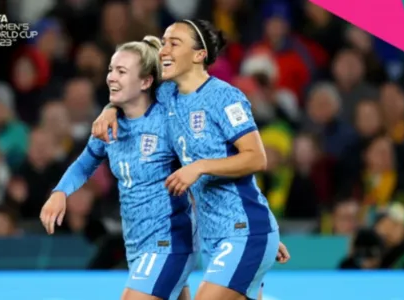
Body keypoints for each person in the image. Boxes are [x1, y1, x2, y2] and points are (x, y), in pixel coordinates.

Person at [92, 20, 289, 300]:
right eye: (164, 42)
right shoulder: (168, 95)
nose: (164, 50)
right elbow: (131, 92)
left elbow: (256, 158)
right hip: (216, 236)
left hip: (244, 230)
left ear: (199, 55)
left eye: (175, 43)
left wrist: (199, 167)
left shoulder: (224, 97)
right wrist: (111, 108)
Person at [39, 36, 195, 300]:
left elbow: (209, 174)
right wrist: (60, 192)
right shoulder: (108, 126)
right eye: (111, 69)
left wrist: (250, 229)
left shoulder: (169, 121)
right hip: (136, 246)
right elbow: (84, 164)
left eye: (122, 71)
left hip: (168, 242)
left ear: (145, 81)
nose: (111, 77)